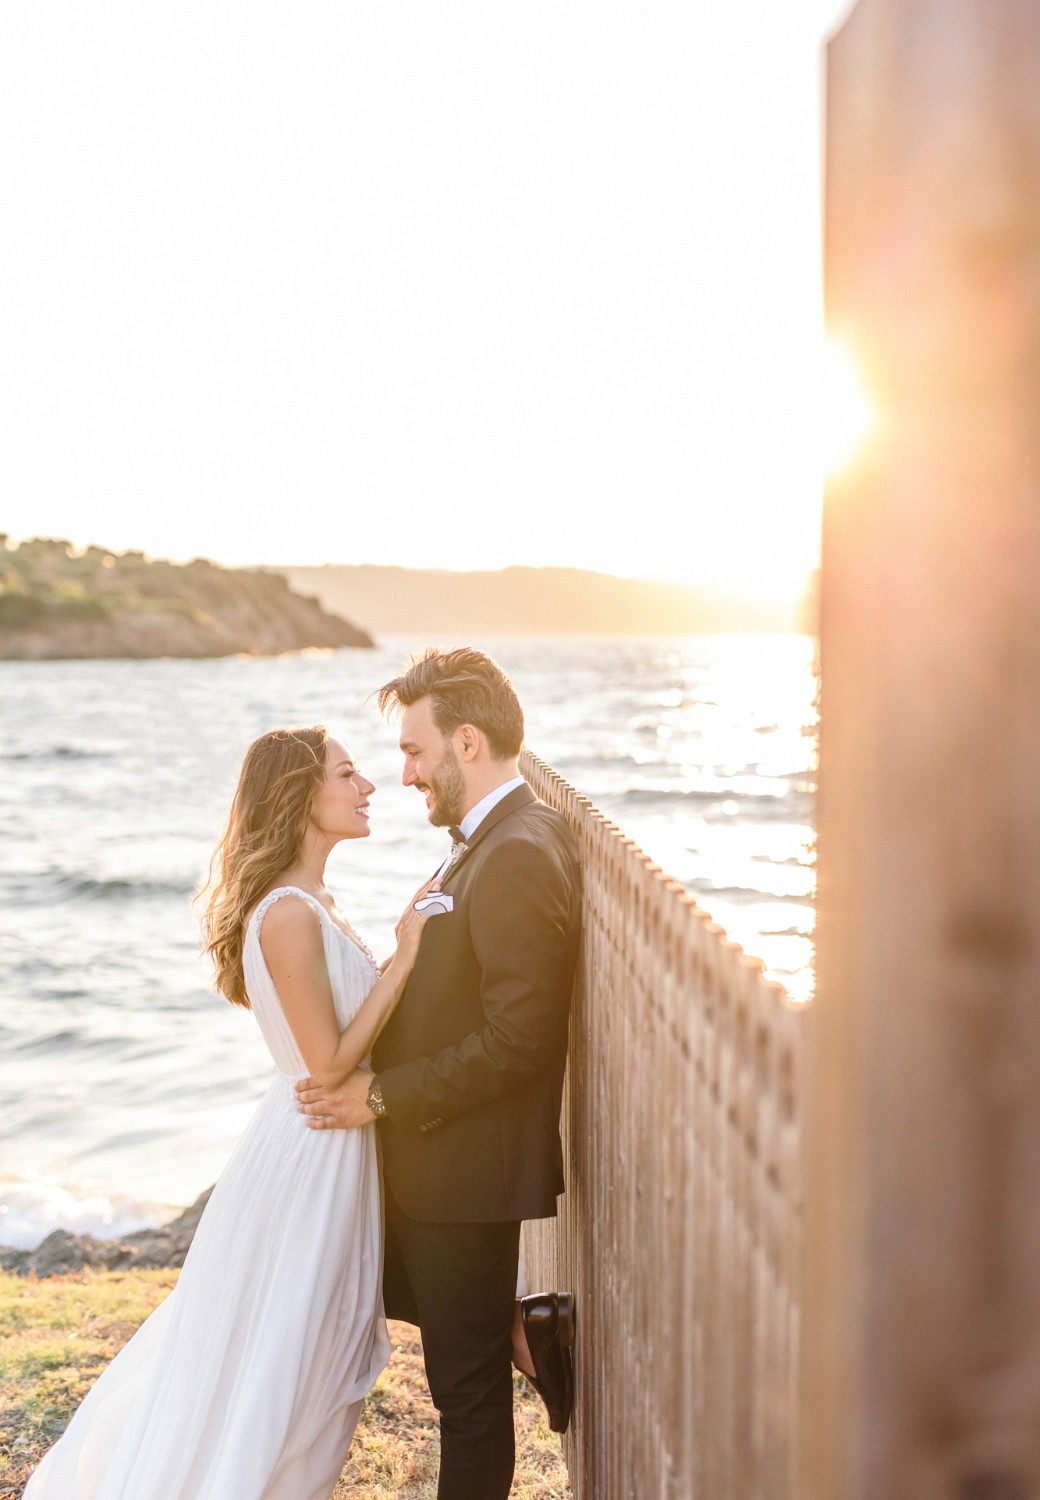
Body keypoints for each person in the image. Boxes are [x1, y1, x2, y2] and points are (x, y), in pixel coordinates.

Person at [24, 725, 432, 1500]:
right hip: (311, 1151)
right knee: (286, 1354)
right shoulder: (285, 912)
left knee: (309, 1350)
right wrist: (406, 956)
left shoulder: (315, 901)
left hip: (329, 1144)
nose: (369, 786)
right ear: (302, 796)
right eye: (348, 774)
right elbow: (329, 1063)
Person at [295, 647, 582, 1500]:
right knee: (403, 1312)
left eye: (414, 751)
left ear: (466, 742)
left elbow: (521, 1038)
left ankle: (517, 1331)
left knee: (466, 1400)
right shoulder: (488, 839)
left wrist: (378, 1094)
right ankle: (521, 1327)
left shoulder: (520, 849)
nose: (405, 773)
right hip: (434, 1161)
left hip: (465, 1173)